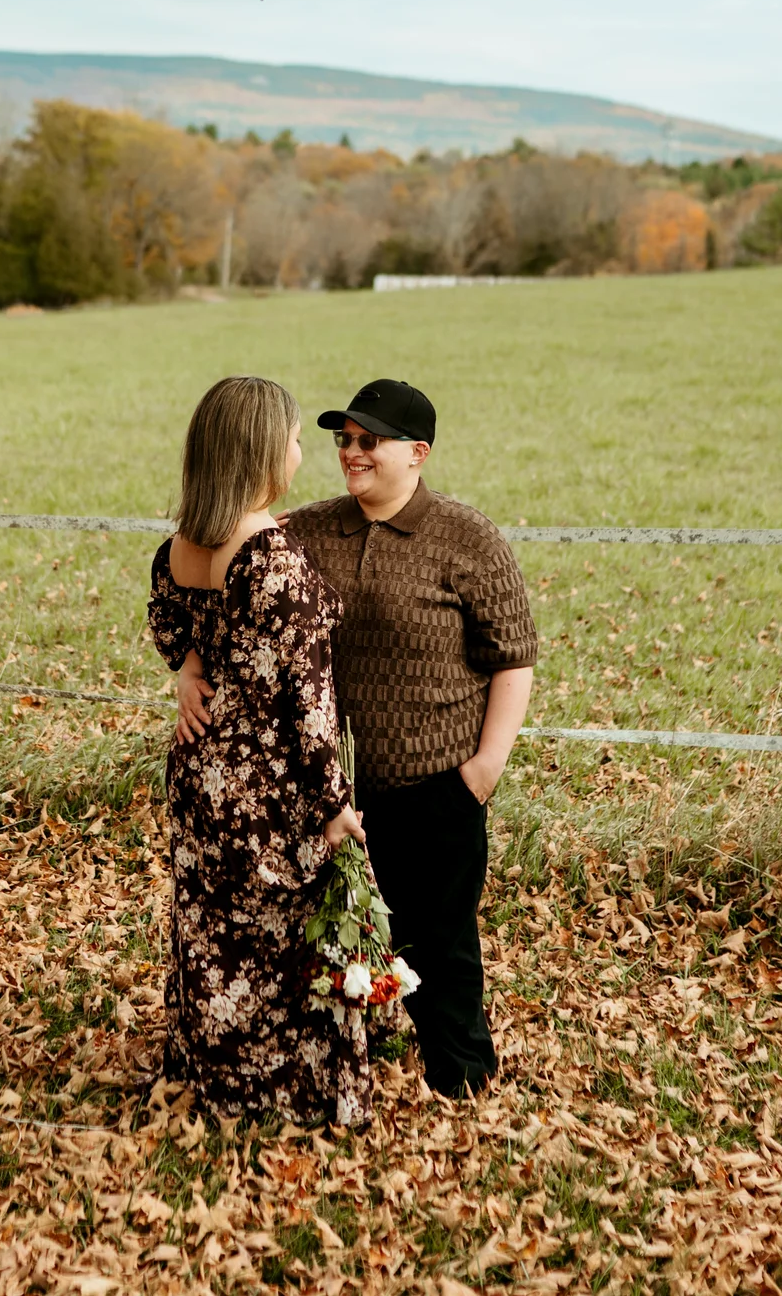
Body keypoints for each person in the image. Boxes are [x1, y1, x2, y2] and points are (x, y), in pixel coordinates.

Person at [184, 377, 536, 1098]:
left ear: (418, 452)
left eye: (369, 440)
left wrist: (484, 768)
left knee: (440, 944)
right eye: (344, 439)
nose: (351, 452)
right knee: (335, 941)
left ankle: (460, 1080)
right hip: (331, 798)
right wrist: (187, 667)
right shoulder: (307, 529)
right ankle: (345, 1071)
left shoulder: (467, 537)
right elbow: (209, 569)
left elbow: (514, 655)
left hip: (436, 787)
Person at [146, 375, 372, 1125]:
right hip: (270, 785)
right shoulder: (271, 559)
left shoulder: (181, 546)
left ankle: (214, 1076)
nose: (304, 451)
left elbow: (168, 619)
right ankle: (278, 1093)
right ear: (264, 451)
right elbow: (306, 702)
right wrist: (334, 804)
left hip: (200, 768)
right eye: (298, 438)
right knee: (283, 936)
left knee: (213, 930)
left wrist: (189, 666)